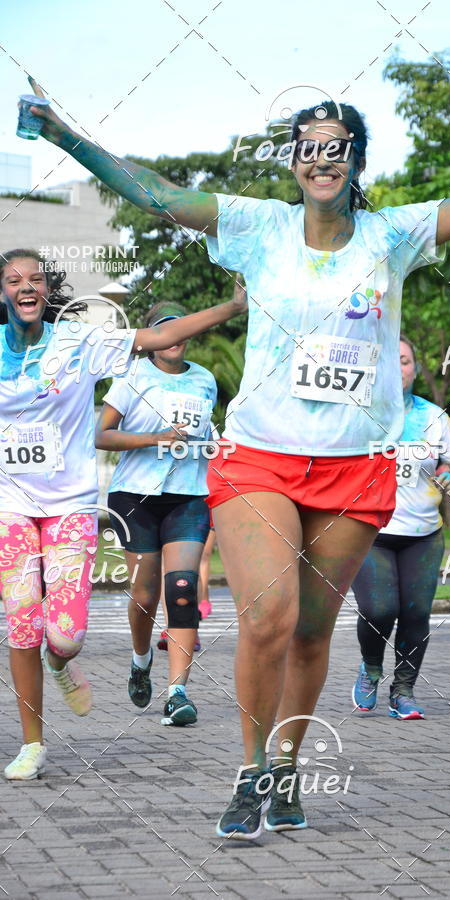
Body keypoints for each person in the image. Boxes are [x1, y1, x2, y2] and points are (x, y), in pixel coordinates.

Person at [28, 75, 450, 834]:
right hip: (261, 457)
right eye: (310, 148)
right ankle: (250, 768)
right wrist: (65, 135)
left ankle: (291, 763)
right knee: (269, 615)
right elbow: (160, 194)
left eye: (338, 148)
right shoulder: (258, 226)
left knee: (310, 632)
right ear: (295, 161)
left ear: (355, 160)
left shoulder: (392, 234)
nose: (323, 159)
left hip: (355, 466)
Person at [0, 247, 245, 780]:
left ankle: (59, 662)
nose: (26, 287)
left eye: (35, 279)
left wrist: (232, 306)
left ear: (47, 290)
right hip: (9, 509)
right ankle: (33, 743)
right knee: (22, 624)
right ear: (2, 292)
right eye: (14, 279)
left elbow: (157, 337)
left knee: (64, 635)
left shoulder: (78, 343)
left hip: (67, 507)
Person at [96, 291, 242, 726]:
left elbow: (206, 436)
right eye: (163, 328)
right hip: (135, 497)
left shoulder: (205, 380)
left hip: (189, 495)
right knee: (144, 596)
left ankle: (177, 692)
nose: (173, 337)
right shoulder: (132, 376)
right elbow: (101, 436)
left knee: (181, 588)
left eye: (180, 327)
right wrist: (154, 438)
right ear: (152, 337)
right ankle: (141, 662)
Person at [352, 337, 450, 719]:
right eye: (390, 361)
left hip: (423, 532)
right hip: (370, 530)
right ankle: (371, 667)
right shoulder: (358, 414)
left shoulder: (433, 416)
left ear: (415, 370)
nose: (397, 368)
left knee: (416, 611)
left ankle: (403, 690)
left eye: (404, 361)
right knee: (379, 608)